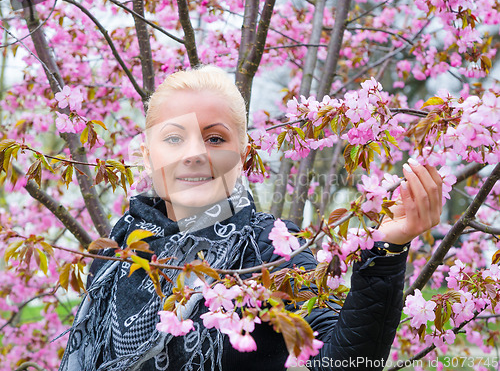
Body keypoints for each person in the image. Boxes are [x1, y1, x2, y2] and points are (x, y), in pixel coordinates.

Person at [58, 65, 443, 371]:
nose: (195, 154)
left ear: (241, 156)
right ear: (147, 154)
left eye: (215, 139)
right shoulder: (120, 251)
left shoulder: (269, 248)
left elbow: (341, 363)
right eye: (174, 138)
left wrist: (386, 253)